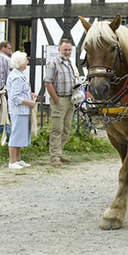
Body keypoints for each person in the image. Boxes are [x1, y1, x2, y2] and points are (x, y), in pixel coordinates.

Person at [43, 39, 77, 167]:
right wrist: (56, 98)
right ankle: (54, 157)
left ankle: (59, 152)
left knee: (66, 128)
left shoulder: (70, 63)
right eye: (65, 50)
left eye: (69, 50)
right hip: (60, 99)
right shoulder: (53, 63)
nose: (67, 52)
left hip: (70, 99)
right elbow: (48, 82)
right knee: (57, 129)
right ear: (59, 50)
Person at [6, 51, 38, 170]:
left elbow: (20, 92)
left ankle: (18, 159)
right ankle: (12, 161)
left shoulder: (19, 75)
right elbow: (14, 97)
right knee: (16, 135)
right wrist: (29, 102)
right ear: (20, 62)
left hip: (23, 111)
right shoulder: (16, 77)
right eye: (26, 60)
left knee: (21, 135)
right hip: (18, 110)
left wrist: (29, 95)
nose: (27, 62)